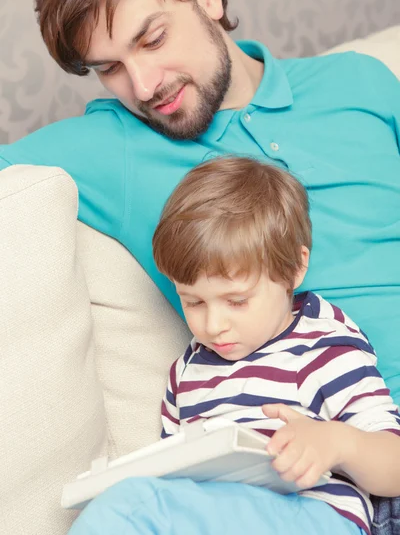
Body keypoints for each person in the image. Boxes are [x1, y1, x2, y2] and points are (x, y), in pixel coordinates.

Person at [0, 0, 399, 531]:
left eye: (152, 38)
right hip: (321, 490)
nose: (142, 85)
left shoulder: (360, 85)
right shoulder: (115, 147)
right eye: (108, 68)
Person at [69, 156, 400, 535]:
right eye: (193, 302)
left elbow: (395, 466)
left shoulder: (324, 347)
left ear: (294, 267)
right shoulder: (187, 371)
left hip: (313, 516)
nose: (213, 326)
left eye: (237, 301)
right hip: (217, 517)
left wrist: (339, 443)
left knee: (130, 508)